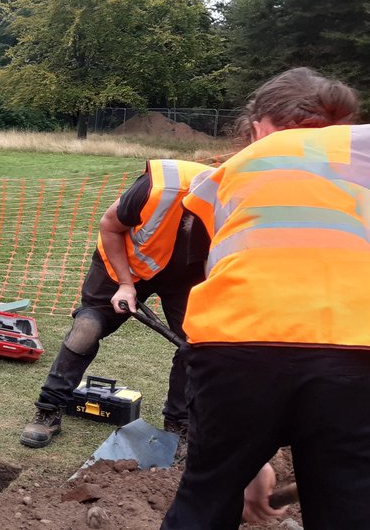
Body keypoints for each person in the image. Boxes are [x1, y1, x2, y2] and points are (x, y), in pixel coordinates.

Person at [163, 67, 365, 529]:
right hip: (358, 353)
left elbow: (222, 269)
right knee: (350, 504)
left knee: (206, 497)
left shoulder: (231, 171)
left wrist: (247, 459)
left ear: (258, 125)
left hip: (238, 348)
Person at [19, 157, 212, 449]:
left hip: (185, 274)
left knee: (197, 340)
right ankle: (48, 410)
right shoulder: (157, 188)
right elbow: (109, 226)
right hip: (125, 264)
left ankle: (178, 424)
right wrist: (125, 284)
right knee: (87, 328)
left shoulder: (236, 204)